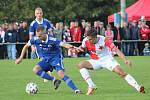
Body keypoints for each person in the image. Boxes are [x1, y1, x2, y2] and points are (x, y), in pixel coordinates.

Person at [75, 28, 145, 95]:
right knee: (80, 65)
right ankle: (91, 85)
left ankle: (138, 87)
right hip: (95, 61)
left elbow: (116, 50)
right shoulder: (86, 40)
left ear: (95, 37)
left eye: (90, 39)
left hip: (107, 59)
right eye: (88, 38)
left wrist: (125, 60)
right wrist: (78, 49)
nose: (88, 40)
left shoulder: (104, 40)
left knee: (121, 72)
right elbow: (82, 47)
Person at [15, 25, 82, 94]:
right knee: (36, 69)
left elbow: (64, 44)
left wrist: (73, 48)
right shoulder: (35, 39)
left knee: (61, 74)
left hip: (55, 59)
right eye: (37, 35)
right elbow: (26, 46)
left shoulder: (52, 39)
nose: (38, 37)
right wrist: (21, 58)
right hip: (45, 60)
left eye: (40, 36)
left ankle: (76, 90)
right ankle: (54, 80)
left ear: (45, 33)